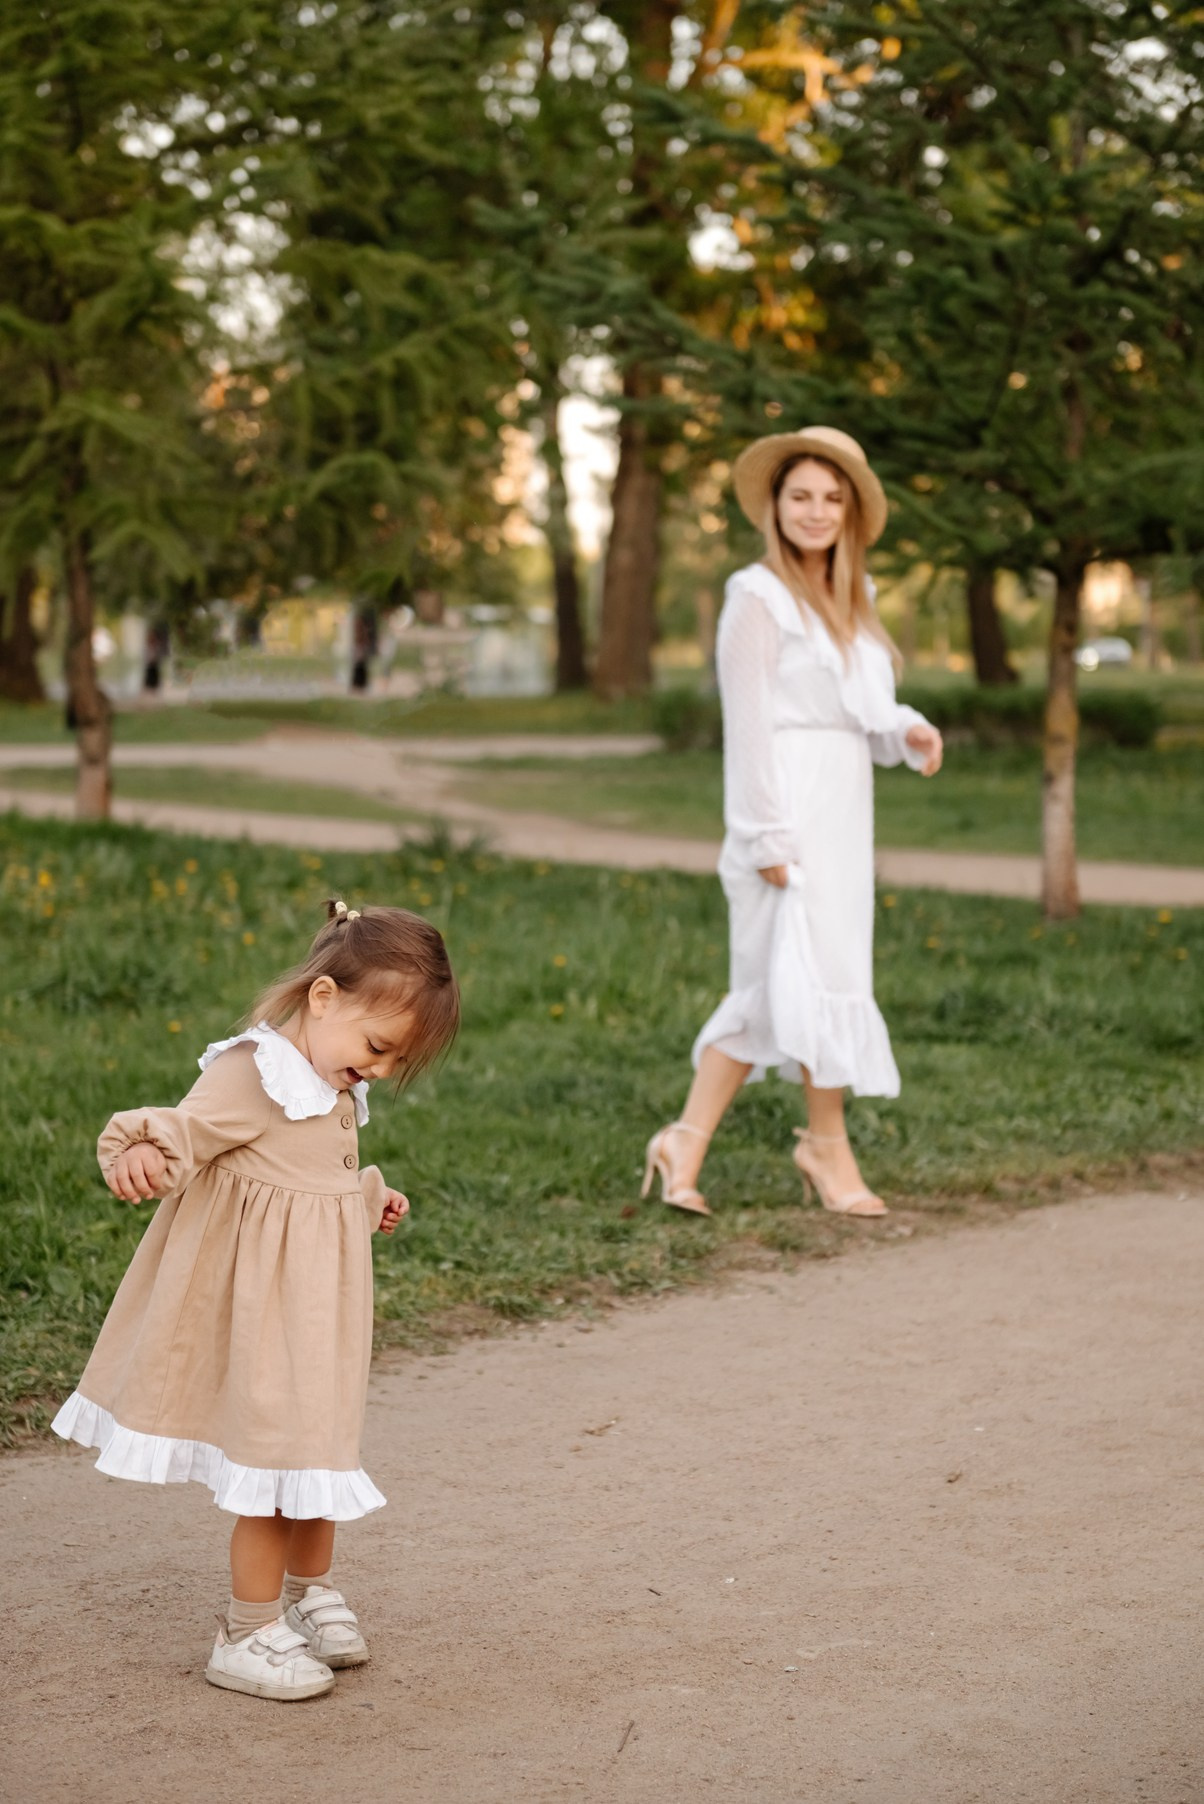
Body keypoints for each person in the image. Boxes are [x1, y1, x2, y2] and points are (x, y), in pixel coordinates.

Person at [53, 899, 459, 1702]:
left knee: (321, 1456)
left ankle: (310, 1594)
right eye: (377, 1047)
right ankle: (246, 1630)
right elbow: (184, 1132)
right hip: (266, 1321)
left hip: (320, 1321)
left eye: (393, 1062)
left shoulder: (329, 1078)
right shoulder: (252, 1070)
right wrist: (138, 1149)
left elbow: (311, 1177)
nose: (377, 1070)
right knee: (275, 1466)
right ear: (322, 998)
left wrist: (367, 1195)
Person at [642, 426, 943, 1221]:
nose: (816, 511)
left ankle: (686, 1142)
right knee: (792, 981)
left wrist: (907, 731)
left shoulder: (856, 602)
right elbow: (749, 728)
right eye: (801, 495)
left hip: (844, 815)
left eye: (832, 498)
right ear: (775, 506)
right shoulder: (756, 597)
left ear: (850, 513)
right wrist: (766, 835)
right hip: (783, 815)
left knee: (801, 984)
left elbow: (864, 715)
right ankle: (825, 1147)